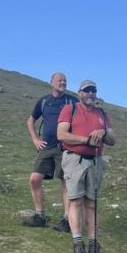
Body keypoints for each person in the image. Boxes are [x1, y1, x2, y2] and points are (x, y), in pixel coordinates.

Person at [56, 79, 116, 253]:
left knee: (91, 203)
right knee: (75, 201)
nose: (90, 93)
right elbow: (62, 135)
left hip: (95, 162)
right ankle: (78, 244)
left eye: (93, 90)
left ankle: (93, 245)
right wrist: (86, 140)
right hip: (75, 159)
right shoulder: (70, 109)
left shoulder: (102, 113)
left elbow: (112, 140)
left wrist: (103, 133)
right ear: (79, 93)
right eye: (87, 90)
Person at [22, 72, 77, 230]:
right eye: (60, 80)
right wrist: (35, 139)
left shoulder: (72, 101)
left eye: (65, 80)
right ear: (51, 82)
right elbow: (31, 120)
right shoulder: (44, 101)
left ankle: (67, 220)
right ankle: (40, 216)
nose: (63, 83)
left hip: (65, 148)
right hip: (47, 147)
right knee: (34, 179)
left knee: (65, 182)